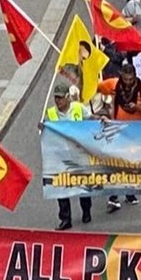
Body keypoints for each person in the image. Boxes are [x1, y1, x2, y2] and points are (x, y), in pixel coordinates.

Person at [95, 62, 141, 210]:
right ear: (121, 76)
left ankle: (129, 192)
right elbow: (95, 88)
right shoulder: (113, 84)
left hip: (135, 133)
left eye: (130, 79)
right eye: (125, 79)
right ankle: (113, 196)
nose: (127, 82)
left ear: (135, 77)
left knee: (131, 164)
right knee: (116, 164)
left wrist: (138, 108)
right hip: (117, 130)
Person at [42, 81, 92, 230]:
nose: (57, 101)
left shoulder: (78, 108)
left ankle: (86, 210)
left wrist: (101, 119)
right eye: (55, 98)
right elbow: (47, 131)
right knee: (61, 187)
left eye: (60, 98)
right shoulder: (51, 113)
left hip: (78, 155)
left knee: (83, 185)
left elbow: (90, 120)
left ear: (67, 97)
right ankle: (65, 219)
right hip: (60, 157)